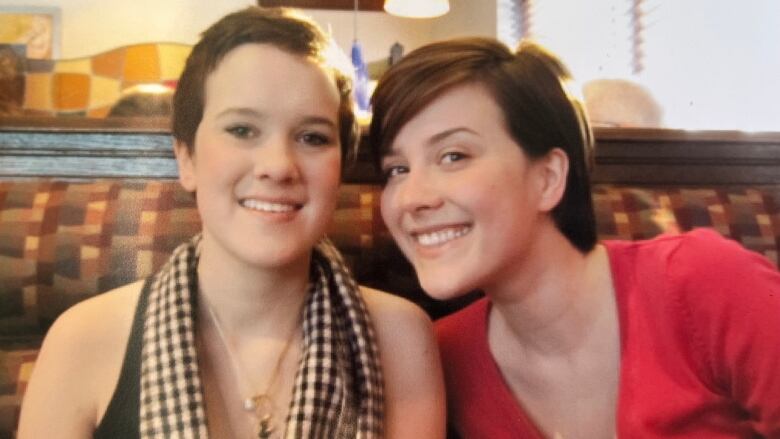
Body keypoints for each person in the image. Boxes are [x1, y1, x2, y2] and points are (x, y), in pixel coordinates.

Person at [18, 7, 444, 439]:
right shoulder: (83, 340)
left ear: (341, 169)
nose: (278, 166)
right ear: (186, 158)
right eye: (242, 129)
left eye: (312, 137)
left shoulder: (401, 338)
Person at [369, 37, 780, 438]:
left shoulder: (704, 282)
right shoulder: (442, 356)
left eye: (454, 156)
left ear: (548, 178)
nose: (411, 199)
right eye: (397, 170)